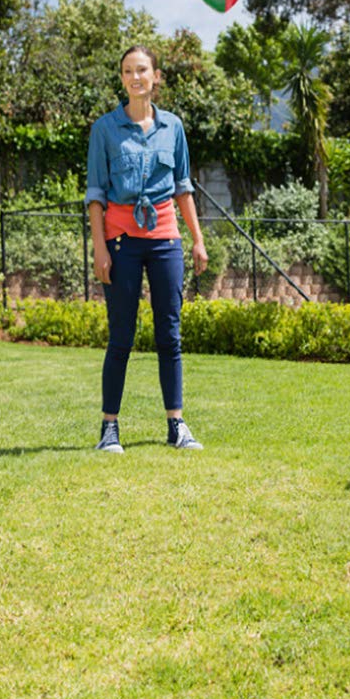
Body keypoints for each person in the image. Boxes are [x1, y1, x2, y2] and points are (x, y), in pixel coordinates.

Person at [86, 44, 208, 453]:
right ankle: (109, 428)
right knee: (121, 335)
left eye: (142, 70)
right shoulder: (105, 129)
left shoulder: (173, 127)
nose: (134, 77)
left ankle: (176, 424)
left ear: (156, 77)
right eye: (127, 71)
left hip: (165, 238)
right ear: (122, 78)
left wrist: (198, 239)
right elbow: (96, 195)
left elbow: (183, 188)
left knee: (169, 334)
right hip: (120, 239)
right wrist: (100, 248)